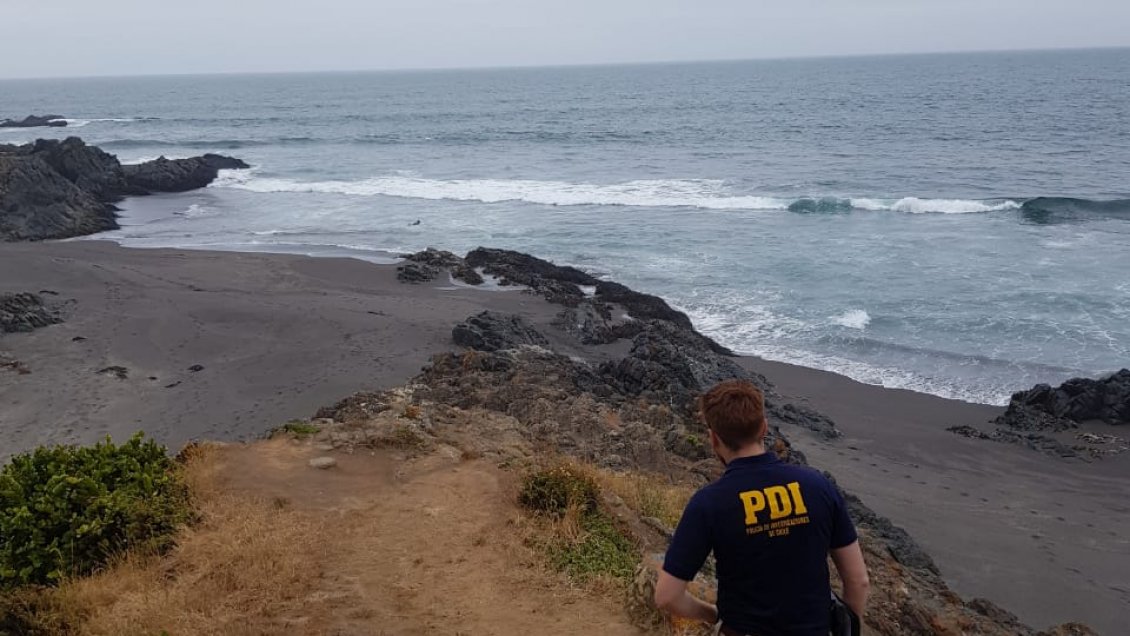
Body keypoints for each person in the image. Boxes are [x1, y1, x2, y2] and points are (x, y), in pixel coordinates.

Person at [654, 379, 870, 636]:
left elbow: (667, 596)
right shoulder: (817, 486)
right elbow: (859, 581)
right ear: (764, 428)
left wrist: (713, 615)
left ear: (713, 439)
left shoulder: (708, 504)